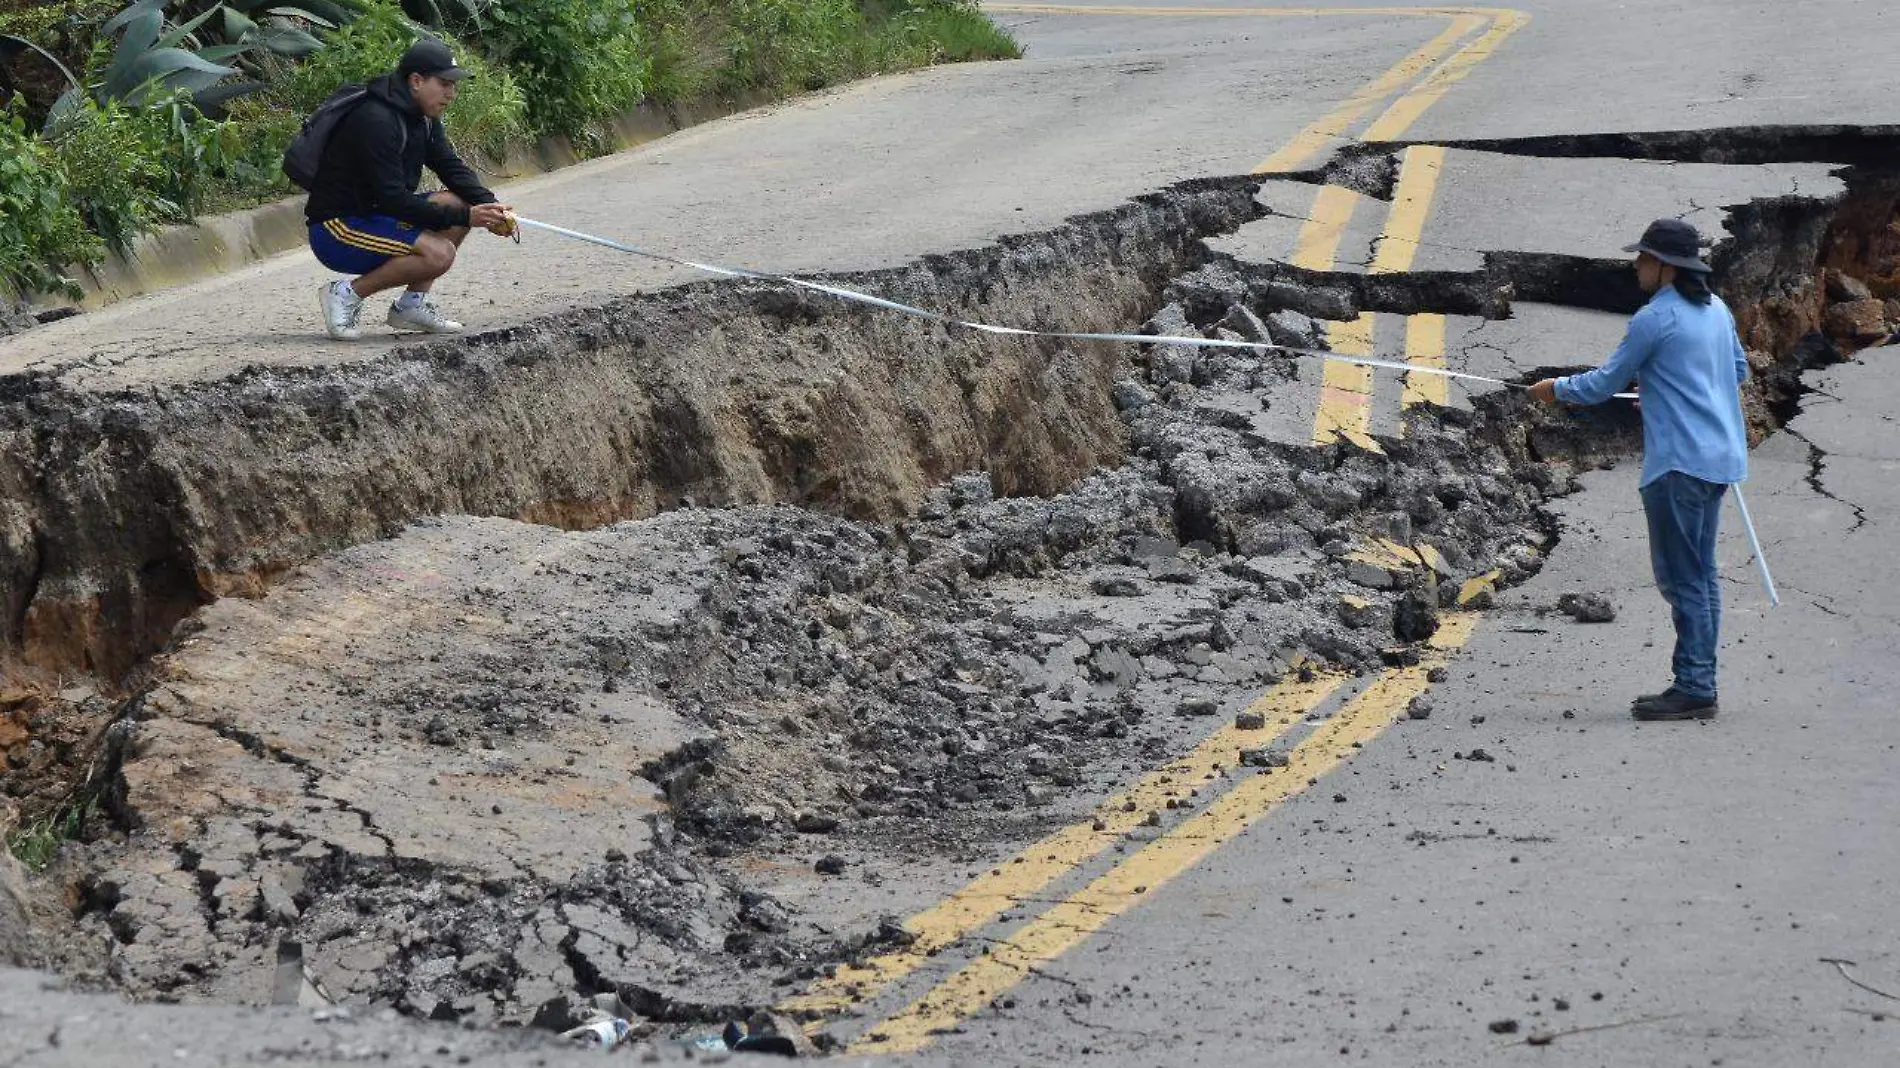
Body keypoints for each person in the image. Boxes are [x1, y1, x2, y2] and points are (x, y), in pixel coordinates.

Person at [1528, 218, 1749, 722]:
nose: (1636, 266)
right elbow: (1736, 371)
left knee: (1683, 579)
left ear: (1665, 267)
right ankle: (1700, 680)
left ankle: (1694, 686)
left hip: (1678, 464)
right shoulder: (1717, 310)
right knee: (1702, 575)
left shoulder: (1656, 318)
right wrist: (1669, 385)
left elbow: (1601, 385)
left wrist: (1554, 388)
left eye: (1643, 258)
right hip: (1719, 461)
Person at [304, 38, 514, 340]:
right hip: (338, 229)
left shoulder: (423, 119)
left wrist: (493, 208)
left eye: (454, 85)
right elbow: (393, 199)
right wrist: (467, 217)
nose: (451, 94)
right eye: (444, 83)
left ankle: (410, 307)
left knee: (454, 202)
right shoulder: (376, 120)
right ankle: (345, 293)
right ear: (416, 81)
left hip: (377, 217)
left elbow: (449, 165)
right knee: (440, 253)